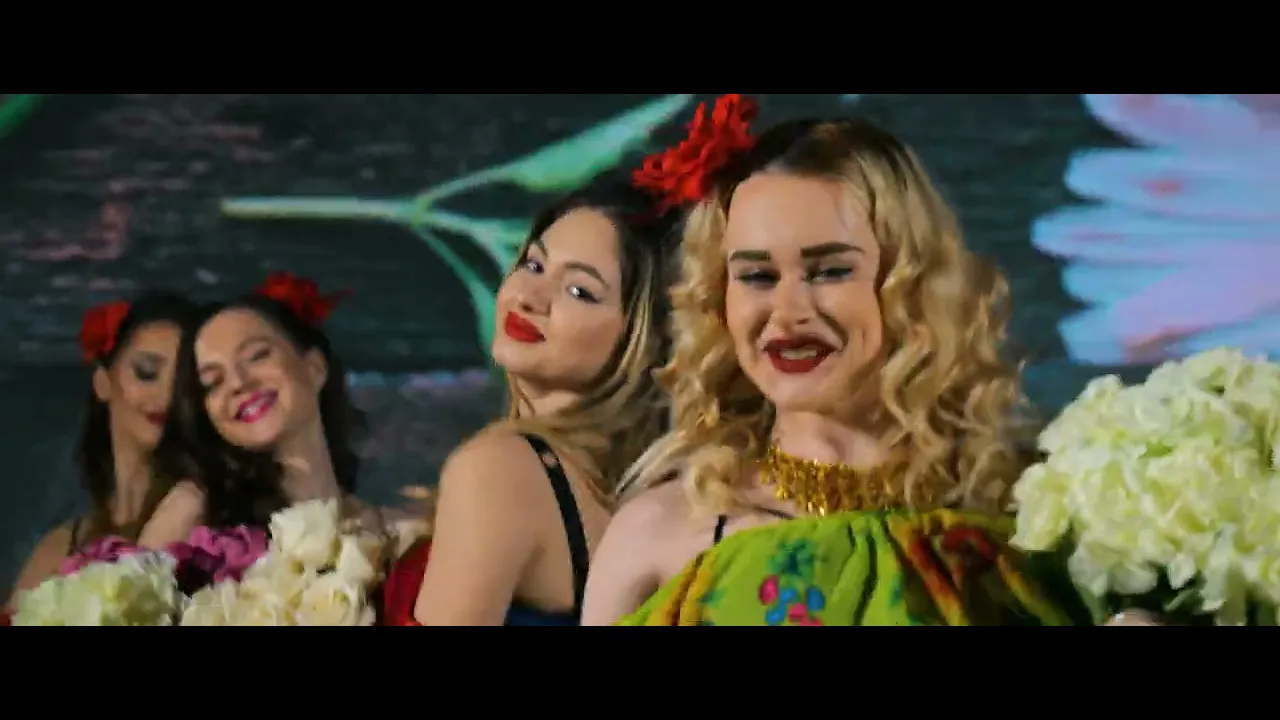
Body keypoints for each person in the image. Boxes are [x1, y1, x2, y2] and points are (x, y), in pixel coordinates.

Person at [582, 100, 1100, 626]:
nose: (788, 312)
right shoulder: (657, 536)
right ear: (720, 298)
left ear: (912, 283)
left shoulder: (1038, 513)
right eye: (758, 277)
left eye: (829, 271)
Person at [381, 172, 680, 626]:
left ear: (645, 338)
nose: (529, 296)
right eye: (534, 265)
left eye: (579, 291)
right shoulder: (645, 490)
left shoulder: (500, 469)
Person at [144, 272, 384, 546]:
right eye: (213, 382)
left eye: (256, 356)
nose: (238, 383)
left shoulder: (373, 526)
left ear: (315, 368)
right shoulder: (193, 508)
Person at [7, 292, 200, 604]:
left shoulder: (204, 521)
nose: (166, 395)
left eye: (184, 382)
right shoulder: (60, 546)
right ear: (103, 382)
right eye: (147, 373)